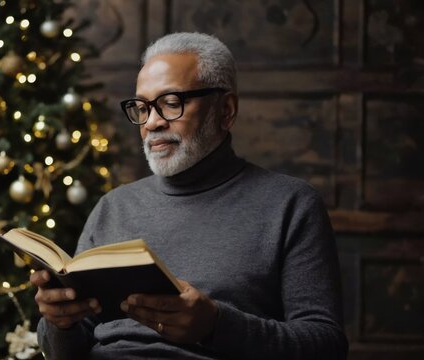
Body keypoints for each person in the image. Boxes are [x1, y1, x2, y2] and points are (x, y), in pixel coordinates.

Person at [30, 32, 348, 359]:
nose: (151, 122)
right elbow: (66, 353)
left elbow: (326, 346)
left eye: (170, 103)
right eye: (141, 107)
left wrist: (215, 326)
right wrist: (59, 323)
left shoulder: (291, 204)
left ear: (225, 110)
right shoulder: (113, 206)